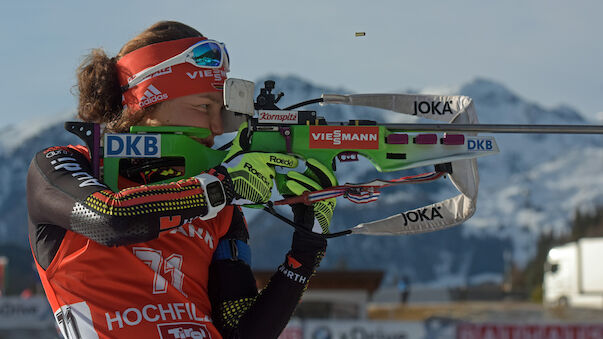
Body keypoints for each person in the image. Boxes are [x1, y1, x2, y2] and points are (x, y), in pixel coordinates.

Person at [26, 21, 336, 339]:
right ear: (146, 102)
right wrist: (222, 187)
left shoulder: (220, 207)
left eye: (221, 112)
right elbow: (109, 219)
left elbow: (240, 331)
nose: (216, 127)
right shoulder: (68, 164)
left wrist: (307, 250)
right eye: (203, 107)